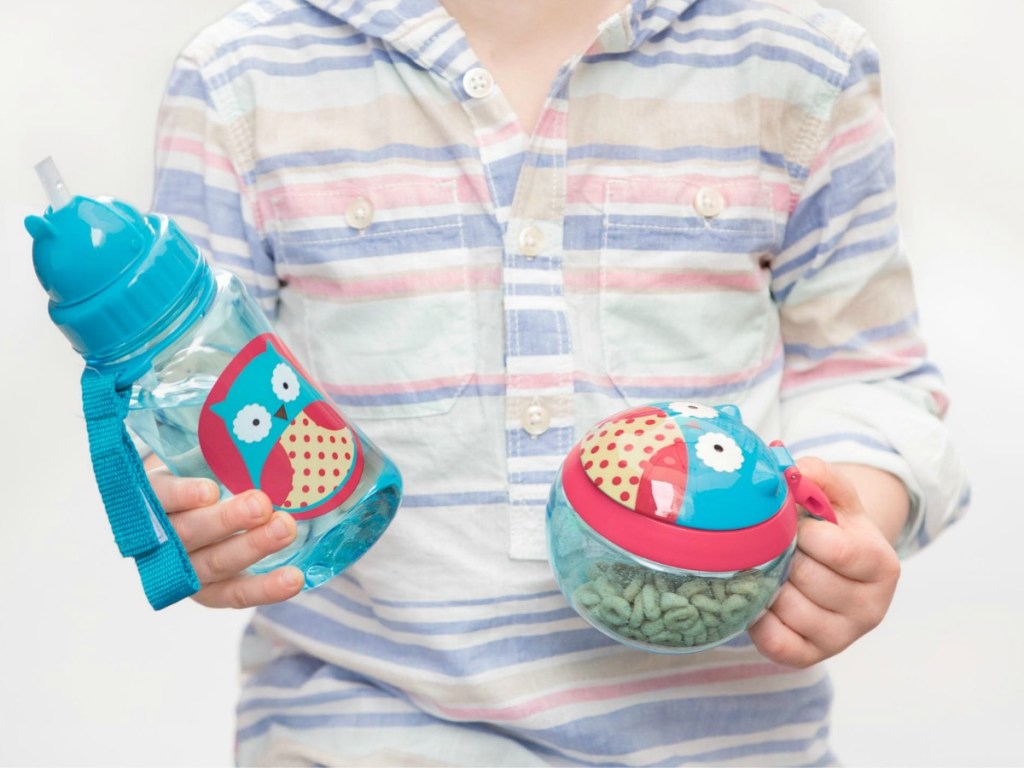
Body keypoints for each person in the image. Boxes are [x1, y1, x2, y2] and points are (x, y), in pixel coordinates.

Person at [147, 0, 969, 763]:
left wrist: (851, 522)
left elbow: (869, 373)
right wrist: (200, 521)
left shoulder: (801, 66)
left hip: (725, 742)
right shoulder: (239, 80)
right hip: (363, 733)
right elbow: (181, 404)